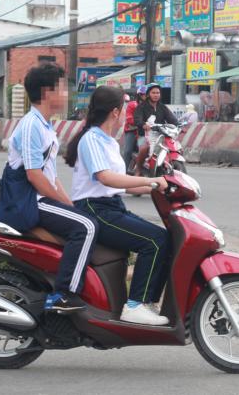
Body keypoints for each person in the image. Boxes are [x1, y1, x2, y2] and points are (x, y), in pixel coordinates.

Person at [0, 62, 98, 313]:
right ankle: (64, 294)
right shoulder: (31, 125)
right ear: (47, 92)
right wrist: (66, 206)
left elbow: (52, 179)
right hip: (31, 201)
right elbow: (35, 177)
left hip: (41, 198)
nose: (67, 93)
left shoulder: (45, 126)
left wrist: (70, 205)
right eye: (62, 88)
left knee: (87, 218)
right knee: (86, 226)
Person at [65, 86, 172, 326]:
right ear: (115, 112)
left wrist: (162, 187)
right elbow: (106, 178)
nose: (127, 114)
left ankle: (146, 303)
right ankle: (134, 305)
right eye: (125, 109)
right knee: (155, 241)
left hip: (111, 205)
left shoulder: (109, 142)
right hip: (94, 209)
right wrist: (149, 181)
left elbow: (122, 183)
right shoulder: (91, 139)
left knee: (166, 237)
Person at [133, 84, 179, 176]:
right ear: (148, 94)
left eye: (158, 93)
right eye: (153, 93)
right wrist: (143, 124)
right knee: (144, 148)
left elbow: (172, 119)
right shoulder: (141, 107)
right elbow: (137, 119)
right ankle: (138, 169)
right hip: (143, 136)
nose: (156, 95)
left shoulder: (162, 107)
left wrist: (177, 125)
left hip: (161, 136)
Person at [122, 86, 146, 169]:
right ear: (139, 95)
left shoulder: (149, 106)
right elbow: (129, 119)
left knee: (144, 151)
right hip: (132, 130)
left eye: (146, 94)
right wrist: (141, 123)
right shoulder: (132, 104)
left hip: (144, 132)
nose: (145, 96)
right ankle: (123, 170)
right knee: (128, 151)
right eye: (143, 94)